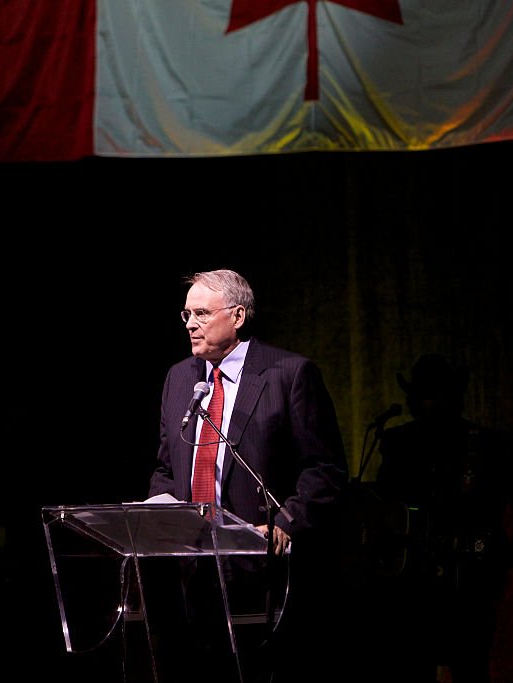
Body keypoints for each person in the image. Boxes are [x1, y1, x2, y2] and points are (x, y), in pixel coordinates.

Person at [147, 268, 348, 681]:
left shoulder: (288, 374)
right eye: (186, 315)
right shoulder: (180, 378)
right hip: (190, 566)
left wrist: (287, 524)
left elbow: (324, 468)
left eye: (201, 313)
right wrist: (154, 514)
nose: (191, 324)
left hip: (260, 566)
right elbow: (167, 468)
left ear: (237, 316)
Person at [373, 353, 513, 683]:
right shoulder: (399, 442)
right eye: (426, 396)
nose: (433, 404)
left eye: (440, 395)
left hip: (470, 579)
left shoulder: (485, 444)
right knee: (416, 663)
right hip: (415, 580)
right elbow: (385, 502)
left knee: (469, 663)